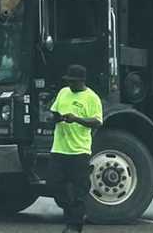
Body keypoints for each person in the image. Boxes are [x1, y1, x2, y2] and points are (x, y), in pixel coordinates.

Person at [48, 64, 103, 233]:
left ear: (81, 81)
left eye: (73, 81)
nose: (70, 84)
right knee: (55, 185)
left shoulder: (92, 98)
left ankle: (74, 225)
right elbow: (53, 112)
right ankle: (71, 213)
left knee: (80, 189)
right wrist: (55, 119)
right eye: (68, 81)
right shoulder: (63, 92)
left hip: (79, 150)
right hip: (59, 148)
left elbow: (97, 121)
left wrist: (76, 119)